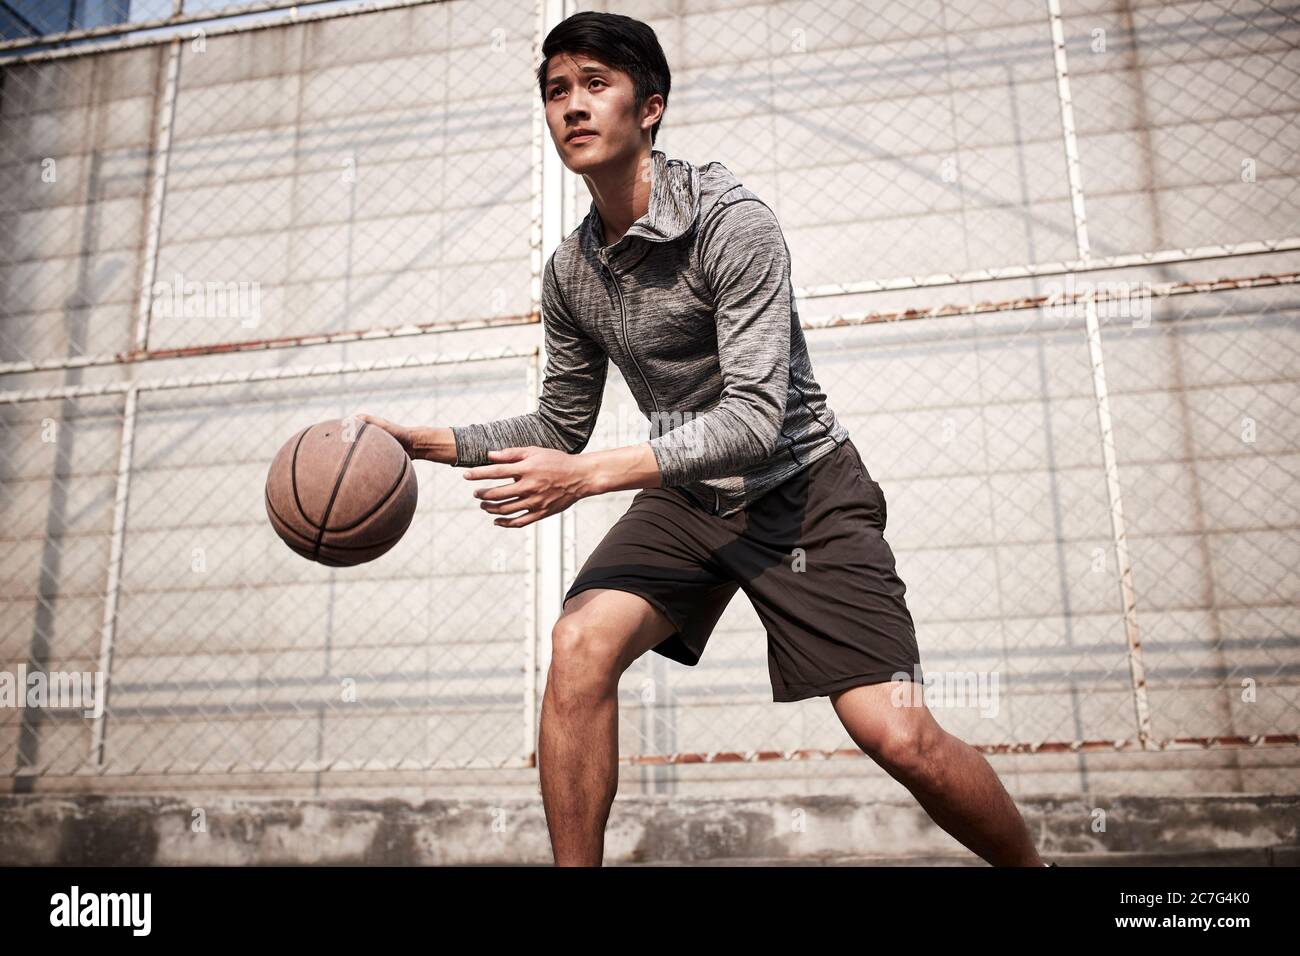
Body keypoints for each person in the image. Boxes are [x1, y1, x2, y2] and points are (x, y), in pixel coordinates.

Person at [355, 10, 1050, 869]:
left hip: (803, 492)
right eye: (555, 91)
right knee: (579, 643)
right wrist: (429, 442)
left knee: (897, 733)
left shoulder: (731, 221)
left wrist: (589, 476)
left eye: (595, 86)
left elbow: (756, 418)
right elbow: (558, 426)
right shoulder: (573, 273)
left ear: (649, 108)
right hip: (688, 496)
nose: (572, 107)